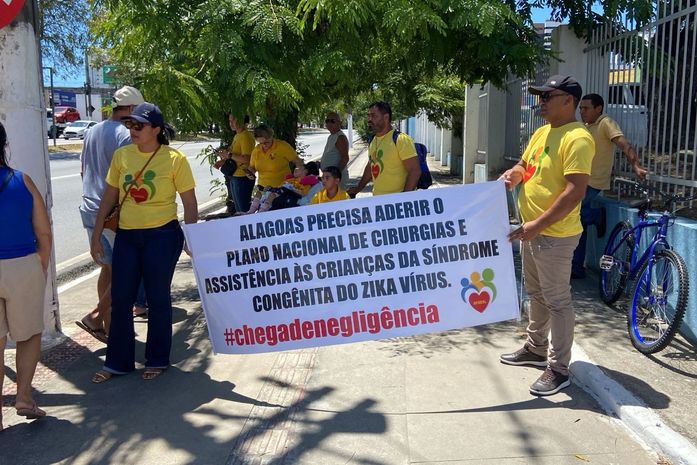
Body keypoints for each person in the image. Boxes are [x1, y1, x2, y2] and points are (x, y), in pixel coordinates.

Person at [499, 75, 595, 396]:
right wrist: (514, 175)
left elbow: (574, 191)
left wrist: (537, 225)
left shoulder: (577, 138)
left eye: (547, 97)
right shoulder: (542, 132)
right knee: (536, 294)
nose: (541, 102)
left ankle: (559, 368)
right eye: (540, 96)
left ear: (568, 101)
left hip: (554, 235)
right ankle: (535, 348)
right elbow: (524, 165)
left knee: (557, 301)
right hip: (532, 230)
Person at [90, 103, 198, 383]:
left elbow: (189, 203)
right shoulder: (122, 156)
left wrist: (192, 238)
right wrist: (96, 234)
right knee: (121, 298)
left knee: (157, 298)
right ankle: (118, 363)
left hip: (162, 236)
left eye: (139, 125)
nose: (132, 130)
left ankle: (157, 359)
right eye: (130, 124)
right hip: (127, 236)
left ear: (156, 130)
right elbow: (109, 197)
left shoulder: (174, 159)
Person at [77, 86, 146, 342]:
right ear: (131, 108)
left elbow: (83, 170)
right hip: (113, 212)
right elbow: (128, 180)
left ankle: (109, 328)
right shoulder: (125, 135)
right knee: (128, 270)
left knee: (108, 269)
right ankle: (97, 317)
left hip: (89, 206)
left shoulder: (92, 131)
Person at [0, 121, 52, 427]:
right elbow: (43, 232)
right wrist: (40, 264)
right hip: (23, 265)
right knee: (30, 333)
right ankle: (23, 396)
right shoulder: (23, 181)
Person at [571, 93, 649, 278]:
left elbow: (624, 144)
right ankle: (576, 267)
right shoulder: (585, 126)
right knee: (577, 221)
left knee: (576, 216)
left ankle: (598, 216)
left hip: (594, 180)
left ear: (598, 108)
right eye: (580, 108)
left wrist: (636, 166)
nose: (582, 111)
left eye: (586, 108)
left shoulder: (606, 123)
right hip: (581, 179)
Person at [348, 101, 420, 197]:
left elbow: (415, 171)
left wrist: (403, 199)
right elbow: (370, 168)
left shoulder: (400, 139)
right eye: (368, 116)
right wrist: (357, 189)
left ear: (386, 117)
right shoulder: (373, 141)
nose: (369, 119)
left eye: (373, 116)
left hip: (396, 201)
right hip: (378, 200)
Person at [239, 124, 305, 214]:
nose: (264, 145)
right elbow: (253, 167)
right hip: (264, 189)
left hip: (281, 189)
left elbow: (298, 161)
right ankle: (251, 213)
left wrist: (299, 176)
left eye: (267, 142)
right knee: (261, 210)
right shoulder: (256, 150)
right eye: (261, 143)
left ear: (271, 137)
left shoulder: (282, 146)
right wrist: (249, 173)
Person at [218, 114, 255, 212]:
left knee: (243, 210)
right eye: (230, 120)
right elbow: (233, 154)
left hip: (243, 176)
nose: (231, 123)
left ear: (243, 121)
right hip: (235, 175)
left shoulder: (245, 136)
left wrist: (229, 155)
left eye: (234, 120)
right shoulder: (237, 135)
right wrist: (223, 159)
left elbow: (247, 159)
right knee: (239, 209)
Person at [320, 112, 349, 188]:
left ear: (339, 123)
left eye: (332, 121)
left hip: (335, 180)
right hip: (329, 179)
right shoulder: (331, 136)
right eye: (327, 121)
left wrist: (335, 175)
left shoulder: (340, 137)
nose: (329, 123)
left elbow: (345, 158)